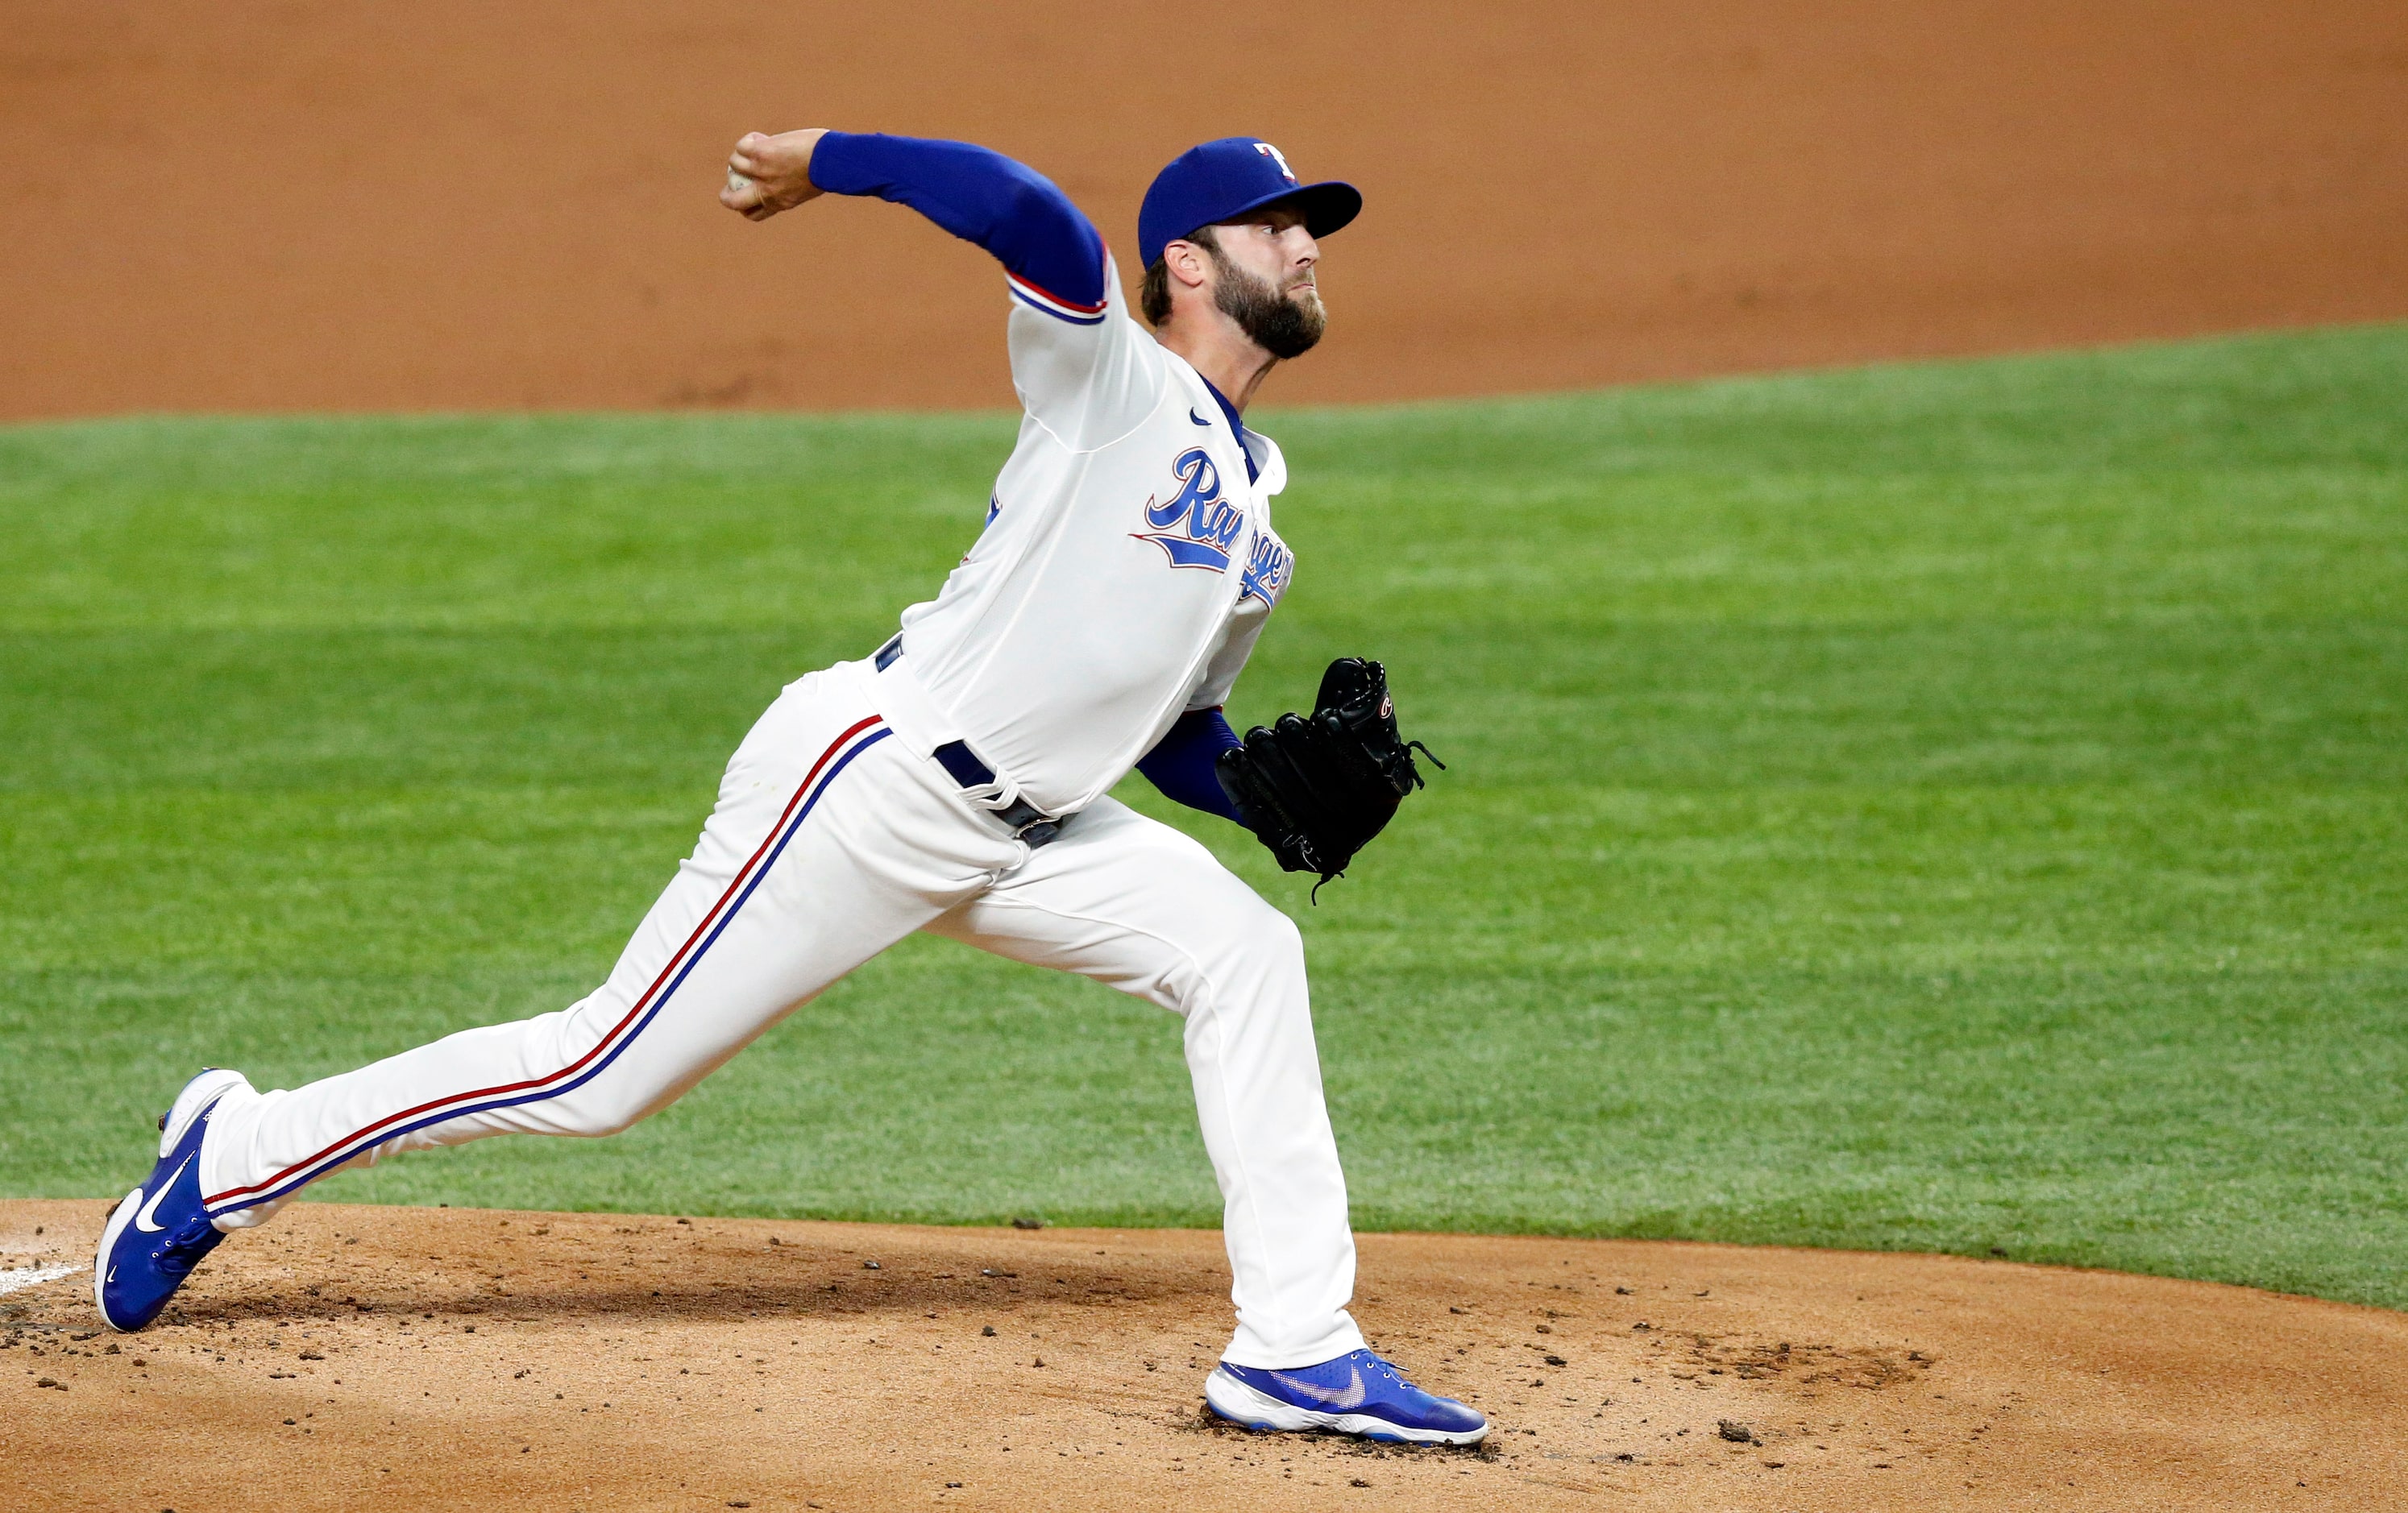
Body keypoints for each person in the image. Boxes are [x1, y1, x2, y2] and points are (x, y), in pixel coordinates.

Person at [94, 126, 1487, 1445]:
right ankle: (232, 1152)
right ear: (1188, 261)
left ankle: (1293, 1344)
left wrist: (1268, 801)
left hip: (1040, 830)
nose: (1307, 246)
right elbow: (1029, 212)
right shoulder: (1111, 384)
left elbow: (1182, 730)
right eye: (1279, 223)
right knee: (599, 1076)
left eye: (1315, 228)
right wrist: (825, 160)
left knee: (1246, 949)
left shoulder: (1256, 517)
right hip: (872, 781)